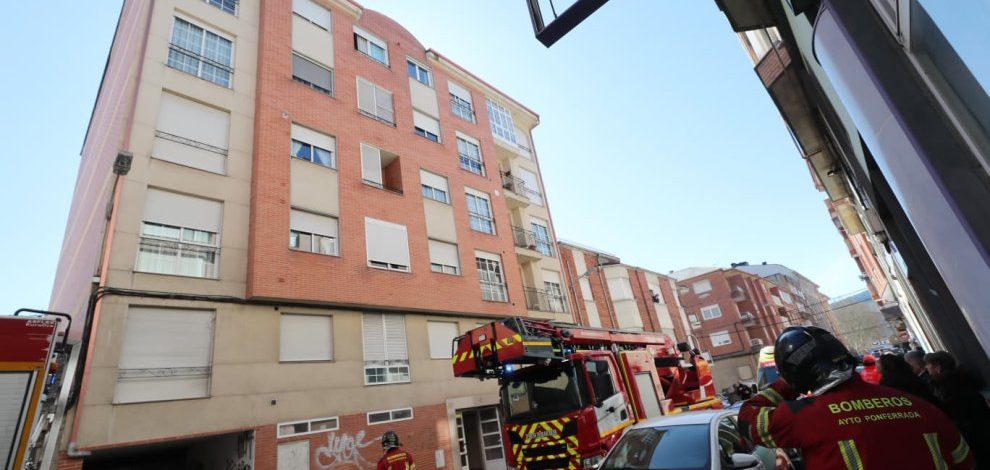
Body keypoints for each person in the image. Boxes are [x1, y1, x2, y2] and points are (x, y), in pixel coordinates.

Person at [737, 326, 974, 469]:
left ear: (795, 373)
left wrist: (785, 385)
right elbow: (965, 461)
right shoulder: (920, 406)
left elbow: (747, 419)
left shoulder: (804, 416)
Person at [925, 351, 990, 466]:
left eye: (929, 365)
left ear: (938, 367)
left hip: (969, 437)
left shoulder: (948, 388)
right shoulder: (962, 380)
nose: (926, 367)